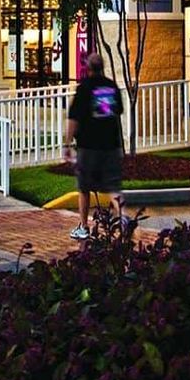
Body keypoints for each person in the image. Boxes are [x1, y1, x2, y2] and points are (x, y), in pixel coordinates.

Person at [63, 51, 124, 240]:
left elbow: (73, 119)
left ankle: (83, 227)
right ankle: (123, 222)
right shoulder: (111, 86)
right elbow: (117, 112)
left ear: (88, 68)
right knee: (113, 188)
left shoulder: (84, 88)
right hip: (111, 145)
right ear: (102, 67)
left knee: (84, 188)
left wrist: (67, 144)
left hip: (88, 147)